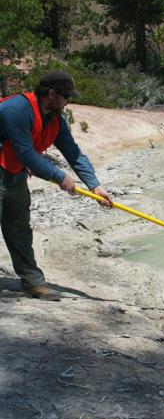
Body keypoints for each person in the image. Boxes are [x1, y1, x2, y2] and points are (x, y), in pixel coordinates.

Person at [0, 70, 113, 301]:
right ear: (51, 94)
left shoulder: (56, 120)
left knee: (19, 228)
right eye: (66, 97)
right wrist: (60, 176)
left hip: (14, 174)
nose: (68, 102)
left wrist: (95, 186)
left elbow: (73, 152)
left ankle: (33, 282)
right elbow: (26, 153)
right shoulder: (17, 111)